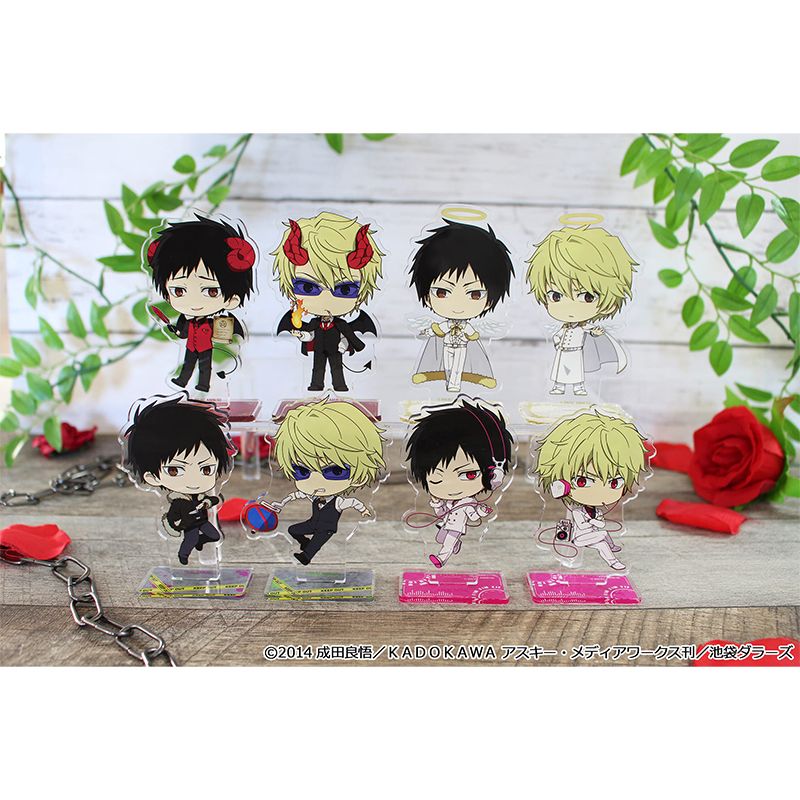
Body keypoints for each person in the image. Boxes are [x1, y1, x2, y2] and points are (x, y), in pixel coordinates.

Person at [272, 212, 383, 392]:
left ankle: (340, 385)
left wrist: (343, 346)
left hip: (335, 350)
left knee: (337, 368)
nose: (325, 300)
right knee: (317, 368)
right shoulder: (314, 322)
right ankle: (316, 385)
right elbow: (309, 335)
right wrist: (301, 335)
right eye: (307, 287)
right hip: (319, 350)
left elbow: (348, 337)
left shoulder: (341, 324)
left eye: (345, 290)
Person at [121, 393, 235, 565]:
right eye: (174, 470)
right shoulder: (177, 502)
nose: (194, 481)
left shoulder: (200, 495)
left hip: (203, 522)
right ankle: (183, 555)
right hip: (190, 526)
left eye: (206, 469)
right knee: (190, 539)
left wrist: (209, 501)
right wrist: (177, 525)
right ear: (152, 477)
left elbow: (212, 500)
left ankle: (199, 542)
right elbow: (172, 519)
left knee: (215, 535)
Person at [146, 214, 256, 392]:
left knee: (205, 366)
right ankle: (182, 381)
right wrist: (175, 330)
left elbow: (223, 334)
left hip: (206, 347)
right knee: (188, 363)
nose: (194, 302)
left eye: (211, 291)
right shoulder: (185, 319)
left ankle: (203, 385)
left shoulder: (217, 321)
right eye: (179, 291)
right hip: (191, 346)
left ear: (231, 298)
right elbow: (182, 334)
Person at [269, 399, 386, 564]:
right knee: (293, 529)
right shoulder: (314, 496)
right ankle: (304, 542)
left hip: (327, 529)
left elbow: (353, 502)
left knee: (317, 542)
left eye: (336, 471)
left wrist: (364, 510)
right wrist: (281, 504)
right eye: (302, 471)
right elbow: (296, 495)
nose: (317, 481)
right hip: (312, 524)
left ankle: (306, 556)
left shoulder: (338, 502)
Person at [525, 221, 636, 395]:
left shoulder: (585, 328)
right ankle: (559, 386)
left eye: (587, 297)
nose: (570, 307)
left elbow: (593, 332)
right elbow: (557, 336)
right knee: (560, 371)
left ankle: (578, 387)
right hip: (563, 352)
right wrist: (557, 342)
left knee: (576, 371)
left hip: (577, 353)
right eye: (556, 296)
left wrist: (597, 333)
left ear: (610, 303)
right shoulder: (564, 328)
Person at [406, 397, 513, 568]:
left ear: (493, 475)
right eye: (436, 478)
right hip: (445, 525)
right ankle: (454, 545)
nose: (451, 486)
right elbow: (441, 512)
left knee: (447, 541)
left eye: (469, 474)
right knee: (440, 538)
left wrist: (481, 510)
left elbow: (474, 516)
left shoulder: (468, 503)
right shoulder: (448, 501)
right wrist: (437, 503)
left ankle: (441, 558)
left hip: (456, 528)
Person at [535, 409, 649, 570]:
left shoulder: (596, 511)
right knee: (602, 541)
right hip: (579, 538)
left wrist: (596, 521)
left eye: (614, 483)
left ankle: (613, 549)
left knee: (603, 536)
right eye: (583, 481)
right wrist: (595, 522)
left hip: (592, 535)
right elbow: (584, 526)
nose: (601, 493)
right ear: (561, 485)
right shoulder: (577, 511)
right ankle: (613, 562)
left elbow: (599, 523)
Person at [409, 219, 514, 392]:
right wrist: (427, 331)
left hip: (462, 347)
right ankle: (443, 378)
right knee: (446, 364)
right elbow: (438, 330)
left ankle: (455, 383)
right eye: (442, 292)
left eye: (474, 294)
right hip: (446, 345)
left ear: (488, 301)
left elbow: (472, 334)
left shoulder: (466, 326)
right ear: (427, 296)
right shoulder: (446, 325)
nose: (457, 305)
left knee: (459, 365)